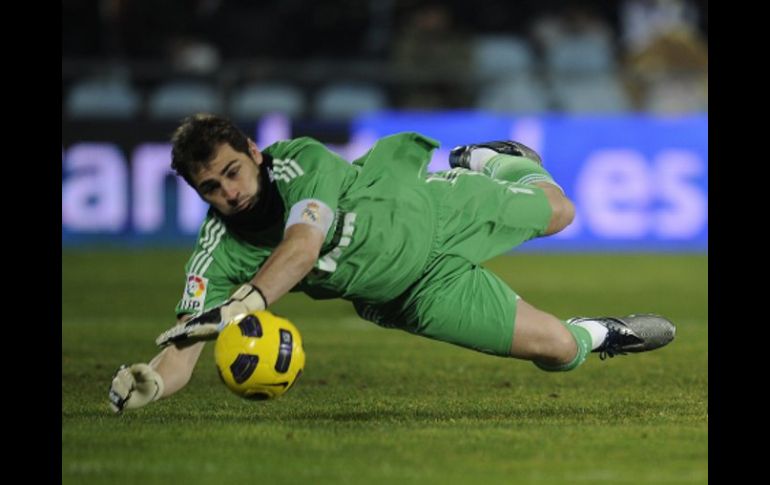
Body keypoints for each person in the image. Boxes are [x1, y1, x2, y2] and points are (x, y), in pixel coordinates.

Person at [108, 113, 675, 413]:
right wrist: (152, 381)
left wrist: (241, 306)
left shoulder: (299, 161)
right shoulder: (218, 253)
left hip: (432, 212)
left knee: (560, 212)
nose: (229, 193)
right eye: (211, 187)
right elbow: (185, 345)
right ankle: (601, 333)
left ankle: (497, 162)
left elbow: (302, 247)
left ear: (255, 153)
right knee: (558, 349)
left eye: (233, 172)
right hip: (412, 295)